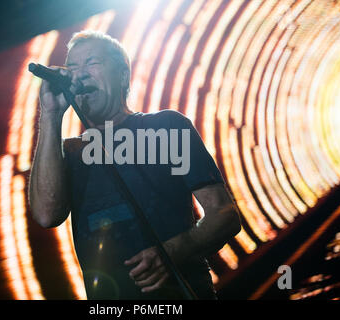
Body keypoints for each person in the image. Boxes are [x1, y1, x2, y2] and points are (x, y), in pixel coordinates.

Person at [28, 30, 241, 299]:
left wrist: (171, 252)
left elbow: (224, 215)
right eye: (72, 67)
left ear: (122, 75)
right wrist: (50, 114)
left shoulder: (165, 127)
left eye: (92, 63)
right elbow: (47, 215)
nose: (79, 74)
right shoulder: (70, 152)